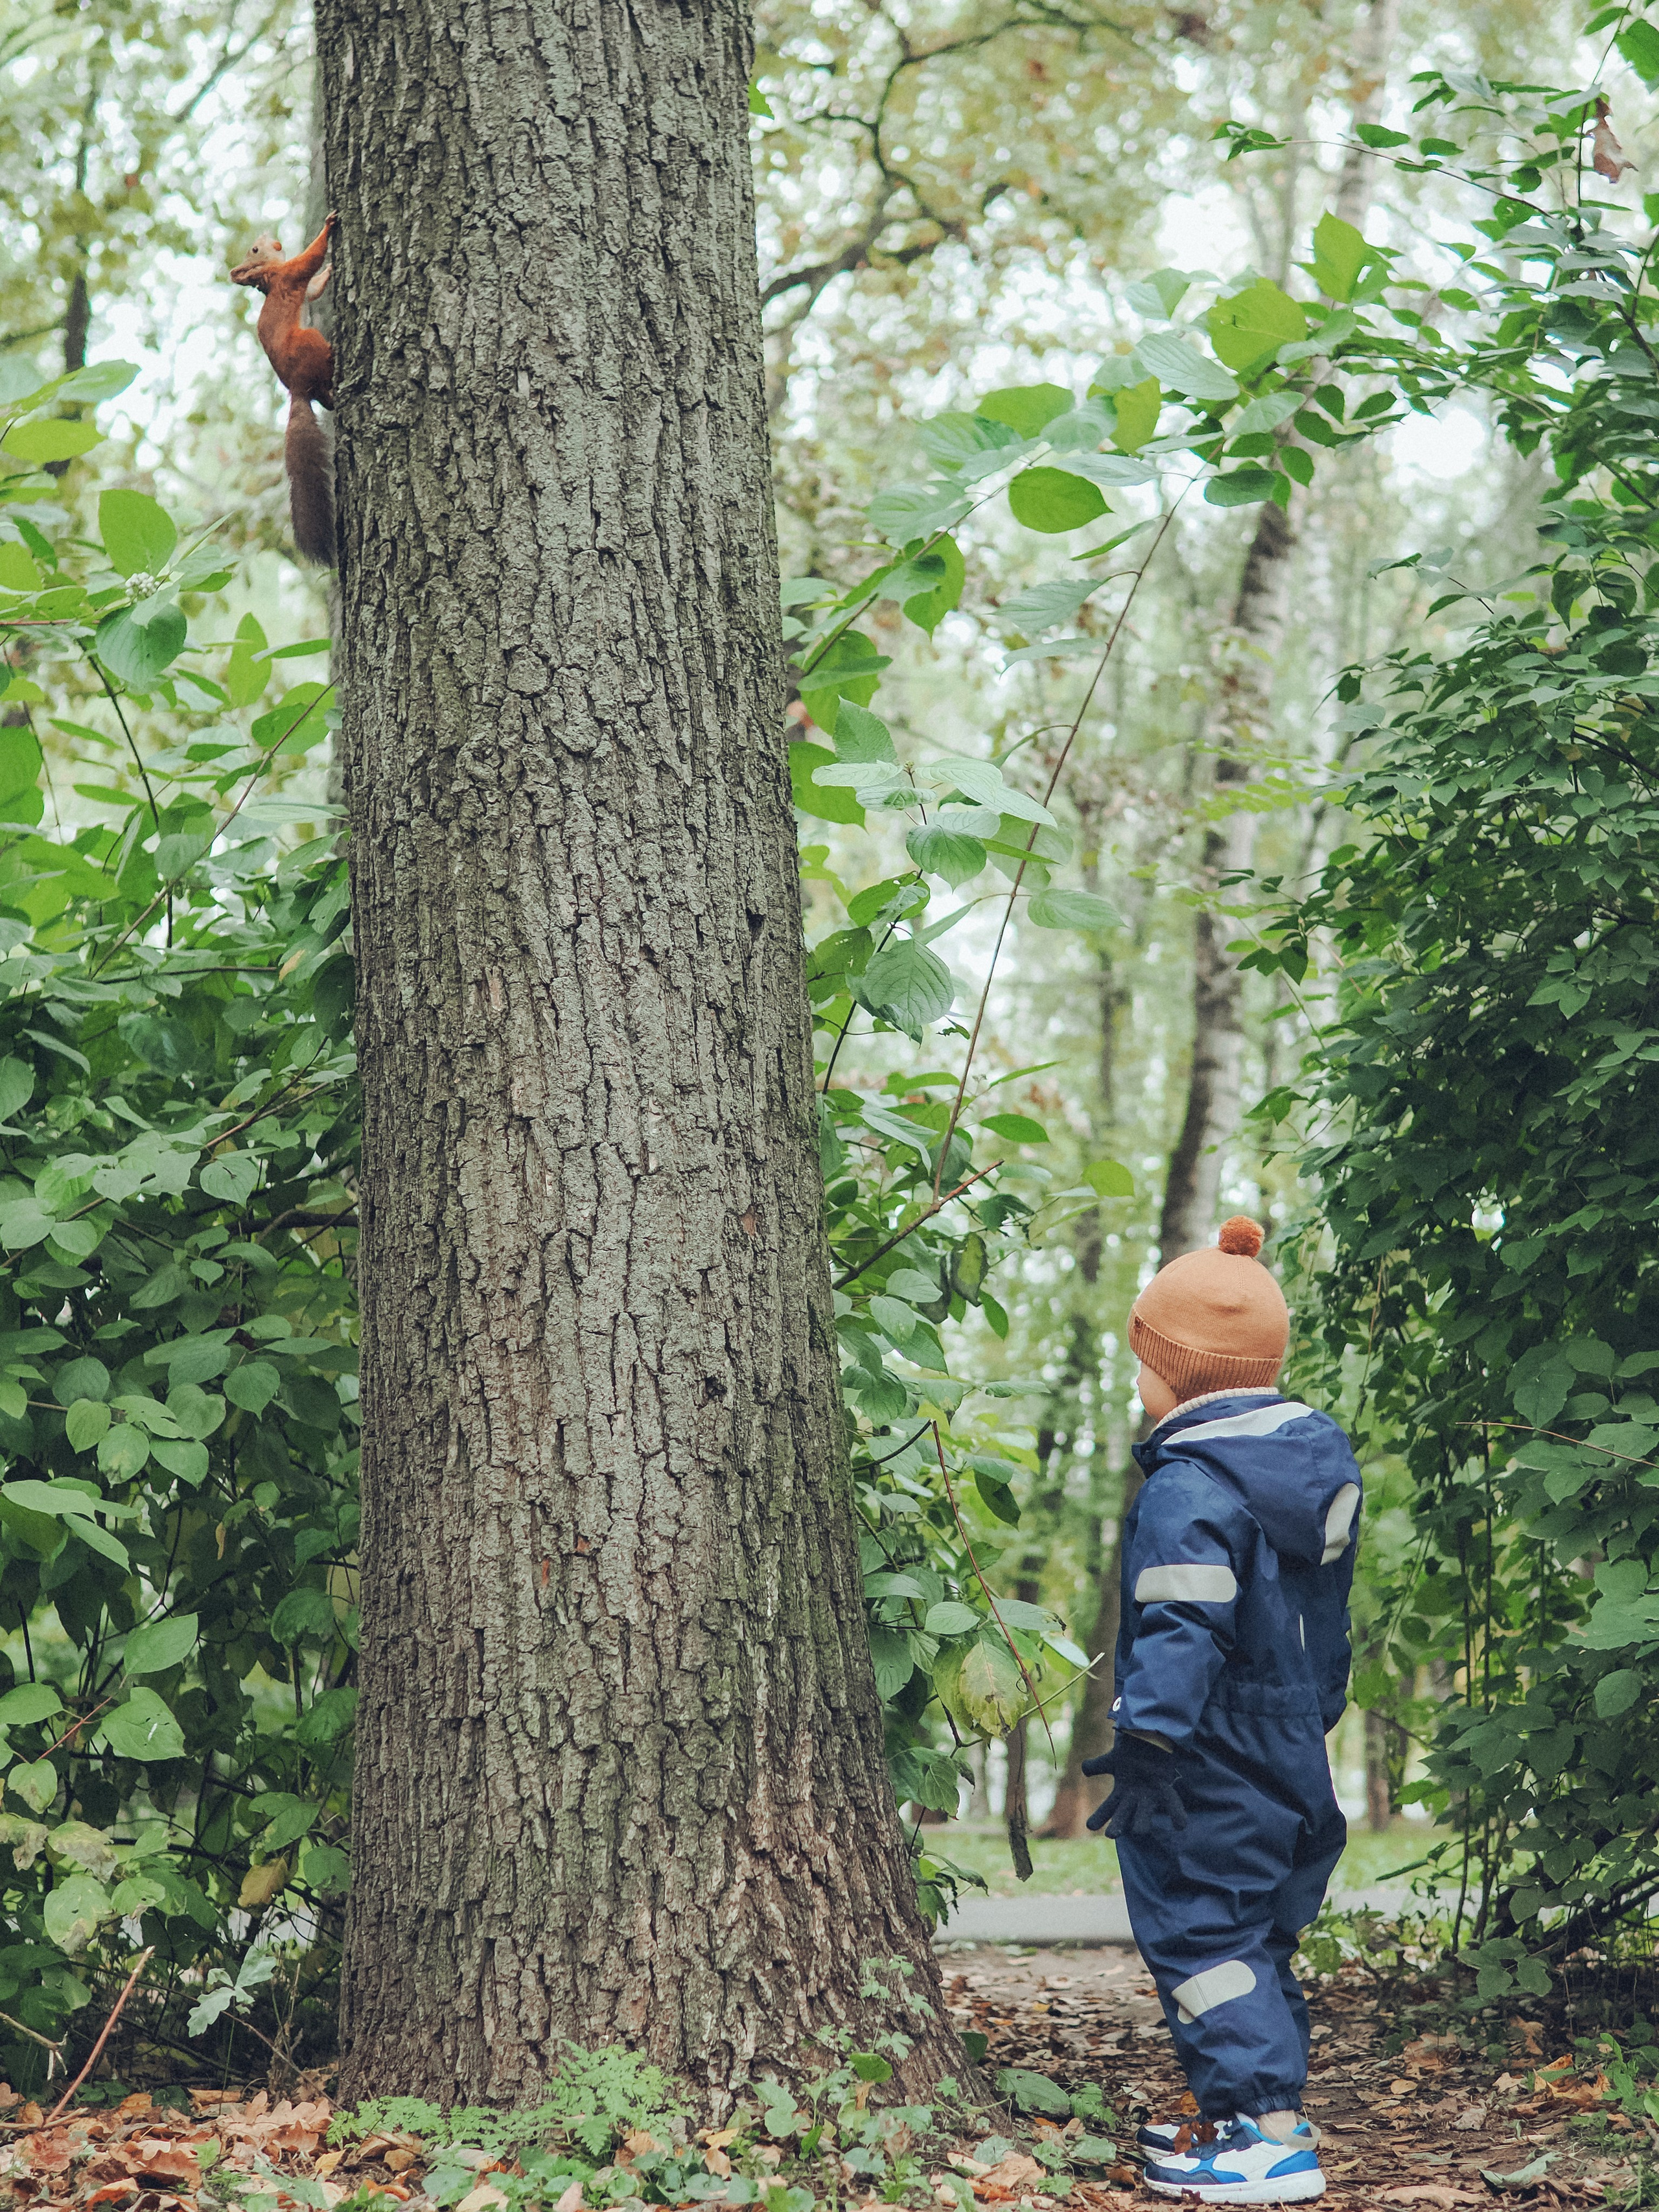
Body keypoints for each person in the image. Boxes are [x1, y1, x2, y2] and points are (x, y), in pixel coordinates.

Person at [1083, 1217, 1362, 2206]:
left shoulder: (1190, 1487)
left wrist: (1151, 1738)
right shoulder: (1314, 1475)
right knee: (1257, 1937)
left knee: (1205, 1938)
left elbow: (1184, 1619)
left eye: (1145, 1367)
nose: (1139, 1388)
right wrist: (1310, 1713)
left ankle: (1268, 2142)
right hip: (1291, 1751)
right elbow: (1318, 1628)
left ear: (1177, 1375)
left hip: (1208, 1755)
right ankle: (1263, 2109)